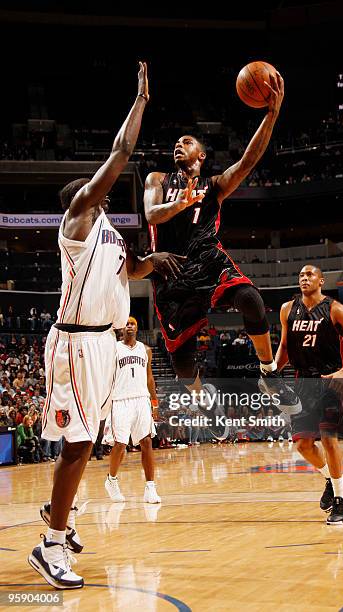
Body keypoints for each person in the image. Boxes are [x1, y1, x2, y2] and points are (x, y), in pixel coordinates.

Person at [28, 62, 184, 590]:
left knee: (84, 442)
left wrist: (153, 265)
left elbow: (131, 270)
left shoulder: (113, 236)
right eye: (94, 192)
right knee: (77, 445)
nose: (102, 196)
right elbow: (120, 155)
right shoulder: (75, 223)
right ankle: (49, 546)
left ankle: (60, 517)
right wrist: (140, 102)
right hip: (74, 343)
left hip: (103, 346)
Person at [144, 71, 288, 406]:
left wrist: (271, 115)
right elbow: (151, 215)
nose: (179, 144)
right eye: (177, 142)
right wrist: (179, 204)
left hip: (208, 259)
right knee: (182, 367)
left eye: (187, 141)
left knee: (251, 299)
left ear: (201, 156)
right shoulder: (157, 179)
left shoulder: (215, 185)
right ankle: (199, 395)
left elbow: (247, 162)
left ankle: (268, 371)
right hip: (171, 271)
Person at [275, 265, 343, 524]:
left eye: (309, 275)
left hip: (330, 380)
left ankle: (341, 501)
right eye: (301, 275)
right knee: (303, 445)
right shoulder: (287, 309)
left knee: (328, 439)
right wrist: (272, 372)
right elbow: (284, 346)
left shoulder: (337, 310)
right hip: (302, 382)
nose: (304, 278)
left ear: (321, 280)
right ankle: (331, 476)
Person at [103, 316, 160, 503]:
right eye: (126, 323)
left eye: (132, 323)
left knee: (146, 442)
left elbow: (149, 378)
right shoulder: (112, 349)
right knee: (120, 444)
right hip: (120, 399)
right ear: (121, 328)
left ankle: (150, 487)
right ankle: (111, 480)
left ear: (137, 328)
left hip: (141, 398)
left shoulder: (146, 350)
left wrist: (154, 401)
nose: (129, 326)